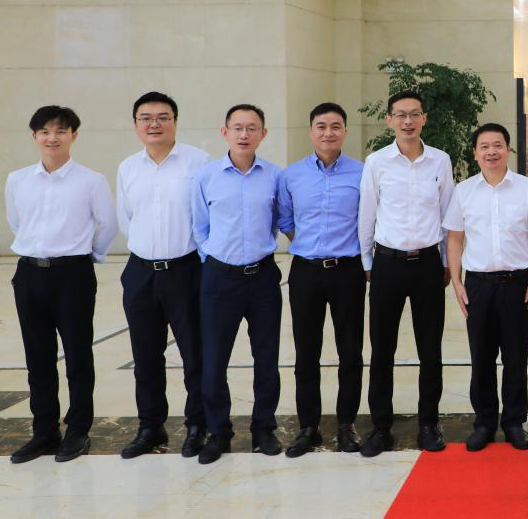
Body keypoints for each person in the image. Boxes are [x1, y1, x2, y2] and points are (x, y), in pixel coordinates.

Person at [5, 105, 116, 464]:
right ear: (34, 136)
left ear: (74, 136)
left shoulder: (91, 181)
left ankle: (78, 430)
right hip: (29, 273)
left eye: (61, 131)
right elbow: (16, 223)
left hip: (73, 275)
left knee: (78, 355)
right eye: (45, 132)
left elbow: (107, 225)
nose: (52, 138)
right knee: (37, 357)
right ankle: (44, 431)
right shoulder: (17, 179)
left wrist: (84, 257)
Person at [358, 90, 455, 455]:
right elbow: (366, 215)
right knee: (382, 349)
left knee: (430, 349)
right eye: (400, 114)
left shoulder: (440, 161)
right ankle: (380, 427)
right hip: (387, 264)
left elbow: (448, 215)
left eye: (415, 114)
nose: (408, 121)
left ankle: (428, 423)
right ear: (389, 120)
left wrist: (447, 262)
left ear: (424, 118)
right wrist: (368, 264)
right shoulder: (376, 162)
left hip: (428, 264)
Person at [444, 123, 528, 452]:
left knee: (516, 357)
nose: (491, 151)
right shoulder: (463, 191)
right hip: (479, 285)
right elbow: (455, 238)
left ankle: (514, 422)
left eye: (498, 145)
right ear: (475, 153)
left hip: (518, 284)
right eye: (484, 146)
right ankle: (485, 423)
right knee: (482, 357)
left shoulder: (527, 189)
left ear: (507, 150)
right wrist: (457, 282)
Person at [116, 92, 210, 459]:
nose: (154, 124)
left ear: (175, 121)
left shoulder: (198, 162)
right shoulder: (128, 167)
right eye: (146, 118)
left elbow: (207, 216)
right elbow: (126, 219)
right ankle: (150, 427)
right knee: (146, 357)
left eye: (163, 117)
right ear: (136, 124)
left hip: (186, 270)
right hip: (141, 273)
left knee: (195, 355)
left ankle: (198, 424)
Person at [191, 104, 284, 464]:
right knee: (214, 360)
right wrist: (216, 261)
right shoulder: (207, 176)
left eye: (252, 128)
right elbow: (200, 227)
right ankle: (219, 432)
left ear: (263, 134)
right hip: (220, 278)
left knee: (267, 357)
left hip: (262, 278)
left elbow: (279, 220)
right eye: (238, 128)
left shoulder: (275, 176)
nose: (244, 134)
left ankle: (264, 428)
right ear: (225, 132)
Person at [276, 103, 366, 458]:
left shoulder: (362, 173)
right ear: (311, 130)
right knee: (306, 352)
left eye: (335, 126)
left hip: (348, 270)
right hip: (306, 271)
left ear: (345, 131)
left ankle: (346, 425)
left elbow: (369, 219)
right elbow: (285, 219)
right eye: (321, 126)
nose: (328, 132)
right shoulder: (292, 175)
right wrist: (307, 245)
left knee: (350, 352)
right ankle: (308, 427)